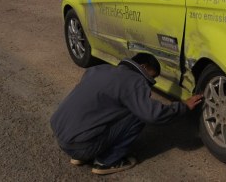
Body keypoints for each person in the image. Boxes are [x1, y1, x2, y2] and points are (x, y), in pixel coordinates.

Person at [50, 53, 203, 175]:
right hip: (82, 145)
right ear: (143, 67)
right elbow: (153, 115)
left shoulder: (100, 69)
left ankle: (80, 155)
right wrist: (182, 106)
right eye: (151, 77)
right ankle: (106, 161)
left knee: (106, 108)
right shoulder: (133, 81)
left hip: (61, 136)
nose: (150, 81)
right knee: (138, 114)